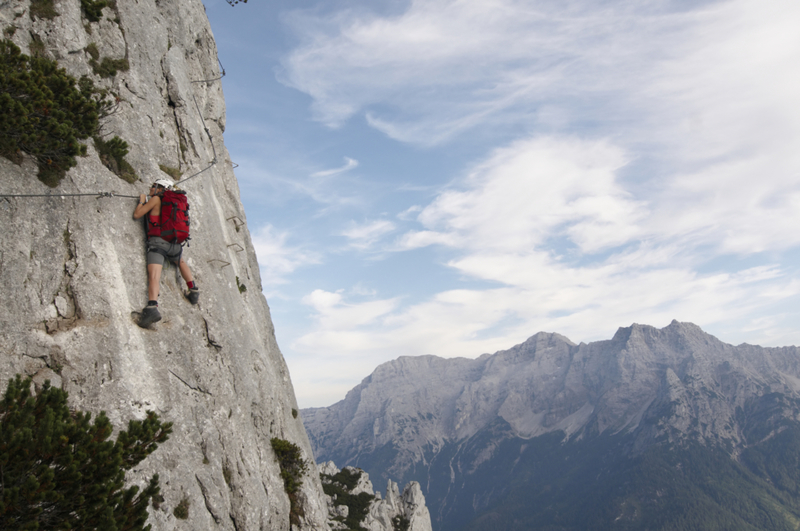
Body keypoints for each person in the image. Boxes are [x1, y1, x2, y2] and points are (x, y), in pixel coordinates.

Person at [133, 178, 199, 327]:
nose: (151, 188)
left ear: (160, 189)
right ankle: (193, 289)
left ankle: (152, 307)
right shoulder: (174, 203)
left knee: (154, 275)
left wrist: (142, 201)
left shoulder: (156, 199)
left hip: (158, 243)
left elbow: (137, 215)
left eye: (153, 186)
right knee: (180, 261)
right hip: (174, 244)